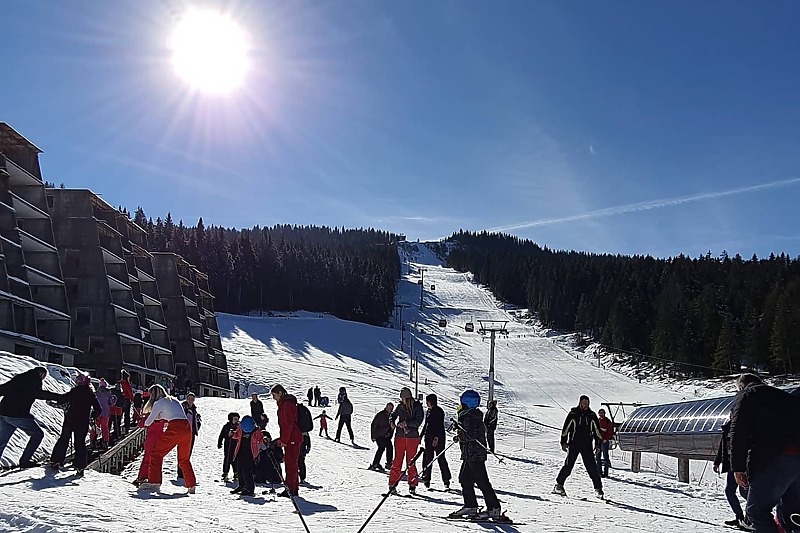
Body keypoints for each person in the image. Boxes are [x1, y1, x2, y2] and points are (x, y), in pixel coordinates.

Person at [730, 373, 800, 531]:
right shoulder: (785, 396)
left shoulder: (747, 395)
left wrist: (738, 467)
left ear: (741, 386)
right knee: (791, 512)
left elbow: (738, 432)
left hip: (773, 460)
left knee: (756, 511)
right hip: (797, 460)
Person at [449, 389, 502, 520]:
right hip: (470, 454)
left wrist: (461, 433)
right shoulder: (470, 416)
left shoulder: (470, 417)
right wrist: (459, 435)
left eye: (462, 402)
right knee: (465, 479)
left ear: (466, 402)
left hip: (475, 455)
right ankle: (470, 505)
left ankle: (494, 508)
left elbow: (471, 436)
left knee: (482, 481)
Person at [0, 367, 64, 468]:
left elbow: (3, 389)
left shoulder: (19, 378)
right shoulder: (34, 380)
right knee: (38, 434)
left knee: (1, 441)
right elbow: (38, 394)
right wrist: (58, 397)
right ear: (41, 374)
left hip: (3, 413)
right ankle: (25, 461)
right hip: (18, 414)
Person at [139, 384, 196, 494]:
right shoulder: (173, 400)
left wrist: (143, 421)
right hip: (187, 428)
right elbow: (168, 414)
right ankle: (191, 485)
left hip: (175, 427)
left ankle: (154, 483)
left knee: (156, 454)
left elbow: (149, 422)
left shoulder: (158, 403)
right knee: (184, 459)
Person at [49, 373, 101, 476]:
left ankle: (56, 461)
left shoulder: (75, 391)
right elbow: (98, 409)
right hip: (83, 422)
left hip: (70, 419)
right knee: (80, 443)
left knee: (64, 439)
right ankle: (80, 467)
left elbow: (63, 399)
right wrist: (92, 416)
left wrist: (54, 399)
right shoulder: (90, 394)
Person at [553, 395, 604, 498]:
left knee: (592, 467)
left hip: (587, 445)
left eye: (587, 403)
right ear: (580, 402)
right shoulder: (573, 414)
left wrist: (598, 444)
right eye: (584, 403)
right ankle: (559, 485)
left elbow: (597, 432)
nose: (586, 405)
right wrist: (563, 442)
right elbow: (566, 429)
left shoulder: (591, 415)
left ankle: (598, 489)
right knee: (568, 465)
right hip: (574, 444)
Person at [715, 415, 751, 529]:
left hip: (744, 465)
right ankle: (739, 518)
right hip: (732, 465)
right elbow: (723, 446)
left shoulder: (746, 427)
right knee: (730, 491)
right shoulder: (728, 427)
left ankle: (751, 518)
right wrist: (717, 461)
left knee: (745, 493)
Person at [388, 387, 424, 495]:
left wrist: (406, 424)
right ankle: (392, 484)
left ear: (407, 398)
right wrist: (392, 422)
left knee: (411, 461)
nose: (401, 400)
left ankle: (412, 484)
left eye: (403, 398)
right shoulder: (400, 406)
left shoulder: (417, 407)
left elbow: (418, 421)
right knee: (397, 460)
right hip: (400, 436)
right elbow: (392, 415)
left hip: (412, 437)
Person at [271, 384, 302, 497]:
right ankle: (292, 488)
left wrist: (284, 440)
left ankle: (291, 489)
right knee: (290, 463)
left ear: (280, 393)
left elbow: (288, 424)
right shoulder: (284, 404)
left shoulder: (287, 404)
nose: (274, 398)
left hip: (292, 438)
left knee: (291, 464)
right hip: (291, 438)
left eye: (274, 395)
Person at [133, 389, 165, 486]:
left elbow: (141, 424)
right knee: (158, 460)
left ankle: (142, 477)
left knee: (147, 458)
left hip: (151, 438)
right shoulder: (163, 412)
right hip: (160, 438)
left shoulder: (151, 411)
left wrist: (140, 418)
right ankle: (155, 478)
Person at [421, 394, 452, 489]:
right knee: (427, 458)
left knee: (440, 458)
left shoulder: (439, 411)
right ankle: (426, 478)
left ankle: (446, 480)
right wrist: (421, 436)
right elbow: (426, 425)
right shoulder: (429, 411)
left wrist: (436, 438)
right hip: (428, 438)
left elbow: (439, 426)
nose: (426, 404)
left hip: (438, 438)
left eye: (427, 402)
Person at [230, 415, 265, 497]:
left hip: (250, 454)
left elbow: (260, 439)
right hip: (240, 452)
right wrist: (232, 434)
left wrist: (264, 440)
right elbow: (236, 436)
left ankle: (250, 488)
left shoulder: (256, 431)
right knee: (240, 470)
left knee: (247, 472)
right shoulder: (240, 429)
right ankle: (242, 485)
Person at [178, 392, 201, 480]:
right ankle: (180, 473)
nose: (191, 400)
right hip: (183, 433)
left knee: (188, 453)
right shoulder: (183, 408)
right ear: (187, 398)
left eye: (192, 399)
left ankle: (183, 472)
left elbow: (195, 422)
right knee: (183, 453)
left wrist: (197, 425)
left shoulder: (194, 409)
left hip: (191, 433)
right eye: (189, 398)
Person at [369, 402, 394, 471]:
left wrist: (390, 434)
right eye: (388, 407)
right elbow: (373, 425)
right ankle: (384, 463)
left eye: (391, 408)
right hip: (379, 435)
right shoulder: (380, 415)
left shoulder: (391, 416)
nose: (390, 409)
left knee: (386, 447)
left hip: (386, 436)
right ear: (386, 407)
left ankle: (377, 463)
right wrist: (373, 436)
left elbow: (391, 427)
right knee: (384, 447)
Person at [218, 412, 240, 482]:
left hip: (236, 445)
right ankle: (225, 472)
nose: (236, 420)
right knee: (227, 458)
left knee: (235, 459)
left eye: (237, 418)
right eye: (235, 419)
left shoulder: (239, 427)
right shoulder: (227, 426)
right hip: (228, 444)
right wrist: (219, 442)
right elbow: (222, 435)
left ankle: (236, 473)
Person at [92, 379, 112, 449]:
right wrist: (114, 398)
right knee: (105, 428)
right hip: (105, 413)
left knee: (95, 427)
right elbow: (111, 402)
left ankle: (93, 441)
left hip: (97, 412)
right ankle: (105, 441)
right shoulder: (108, 393)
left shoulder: (96, 393)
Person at [595, 408, 613, 478]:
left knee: (605, 457)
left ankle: (606, 473)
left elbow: (609, 432)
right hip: (598, 441)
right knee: (598, 457)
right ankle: (599, 472)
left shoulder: (607, 421)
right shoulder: (598, 421)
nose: (601, 414)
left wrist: (606, 439)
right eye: (600, 413)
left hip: (604, 441)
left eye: (602, 413)